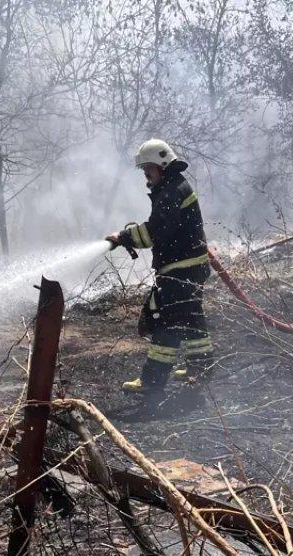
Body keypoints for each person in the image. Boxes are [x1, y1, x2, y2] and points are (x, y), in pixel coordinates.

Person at [105, 138, 214, 405]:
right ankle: (201, 369)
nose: (145, 177)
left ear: (162, 164)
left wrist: (124, 236)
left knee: (167, 325)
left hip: (180, 270)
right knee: (191, 320)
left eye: (148, 170)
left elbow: (156, 230)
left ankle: (152, 382)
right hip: (192, 267)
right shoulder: (174, 186)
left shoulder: (170, 192)